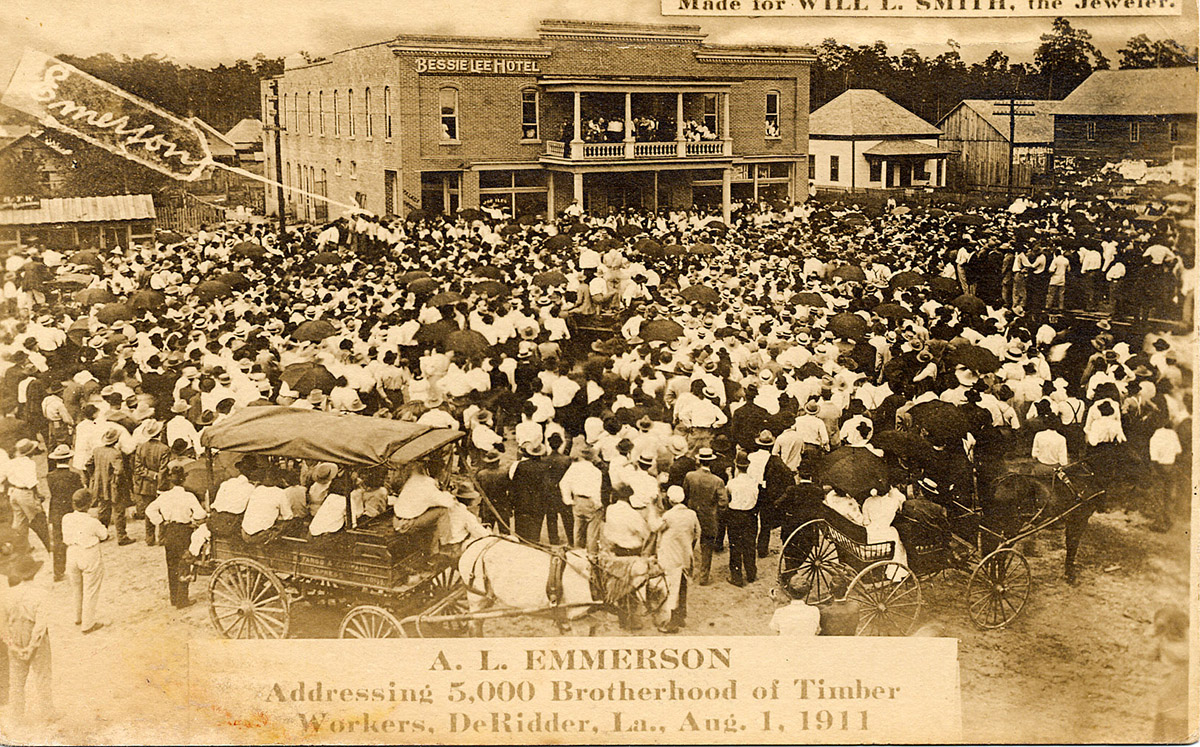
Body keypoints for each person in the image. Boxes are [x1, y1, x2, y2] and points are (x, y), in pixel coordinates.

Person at [145, 466, 208, 608]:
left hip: (169, 531)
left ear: (170, 480)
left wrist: (161, 521)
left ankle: (174, 598)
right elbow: (201, 514)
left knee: (171, 564)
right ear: (184, 479)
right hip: (185, 531)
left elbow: (149, 510)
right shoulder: (189, 496)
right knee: (184, 564)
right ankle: (182, 599)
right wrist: (193, 519)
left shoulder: (164, 496)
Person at [2, 554, 52, 724]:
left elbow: (2, 625)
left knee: (16, 679)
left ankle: (17, 716)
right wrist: (31, 646)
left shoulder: (7, 595)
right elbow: (40, 625)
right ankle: (47, 713)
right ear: (34, 573)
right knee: (43, 675)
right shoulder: (41, 594)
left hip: (15, 635)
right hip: (34, 636)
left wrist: (12, 646)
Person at [654, 486, 700, 633]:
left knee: (672, 588)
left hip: (671, 557)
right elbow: (697, 533)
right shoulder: (692, 514)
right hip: (686, 556)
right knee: (683, 586)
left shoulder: (668, 516)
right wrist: (688, 546)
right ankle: (681, 616)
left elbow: (656, 529)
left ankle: (672, 622)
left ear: (670, 500)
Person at [681, 447, 728, 585]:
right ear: (711, 462)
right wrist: (715, 512)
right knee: (707, 548)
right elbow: (723, 502)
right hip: (709, 518)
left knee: (688, 544)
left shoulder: (690, 476)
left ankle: (687, 574)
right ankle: (704, 577)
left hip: (692, 515)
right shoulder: (717, 481)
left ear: (699, 461)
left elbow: (685, 494)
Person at [62, 489, 106, 634]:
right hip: (88, 553)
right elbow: (104, 535)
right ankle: (88, 624)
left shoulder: (66, 518)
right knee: (90, 589)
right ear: (89, 504)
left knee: (76, 587)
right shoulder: (92, 521)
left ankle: (78, 616)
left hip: (72, 553)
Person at [44, 444, 81, 583]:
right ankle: (77, 567)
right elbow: (78, 493)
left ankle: (58, 572)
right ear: (69, 459)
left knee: (58, 542)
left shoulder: (50, 476)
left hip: (56, 511)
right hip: (71, 510)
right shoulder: (74, 476)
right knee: (76, 539)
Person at [5, 440, 51, 553]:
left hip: (14, 492)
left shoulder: (12, 462)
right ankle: (49, 545)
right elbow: (31, 483)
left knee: (19, 522)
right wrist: (38, 495)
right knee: (39, 518)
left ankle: (21, 547)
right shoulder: (29, 463)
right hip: (25, 493)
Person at [130, 421, 170, 545]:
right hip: (161, 485)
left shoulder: (141, 447)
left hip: (145, 485)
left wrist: (150, 474)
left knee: (149, 512)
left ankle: (149, 538)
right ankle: (162, 538)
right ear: (160, 433)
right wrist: (158, 477)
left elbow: (138, 468)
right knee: (162, 511)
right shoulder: (164, 448)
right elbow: (163, 470)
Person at [559, 444, 604, 552]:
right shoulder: (596, 471)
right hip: (590, 501)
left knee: (578, 529)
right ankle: (591, 554)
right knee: (592, 532)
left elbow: (563, 483)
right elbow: (595, 491)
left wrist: (568, 499)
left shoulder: (574, 467)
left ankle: (578, 552)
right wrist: (598, 504)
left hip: (577, 500)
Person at [723, 453, 759, 587]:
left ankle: (736, 576)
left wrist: (729, 477)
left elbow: (727, 495)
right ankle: (751, 573)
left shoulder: (732, 483)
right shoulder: (754, 482)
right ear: (748, 466)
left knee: (735, 546)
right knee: (750, 545)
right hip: (750, 516)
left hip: (735, 516)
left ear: (736, 465)